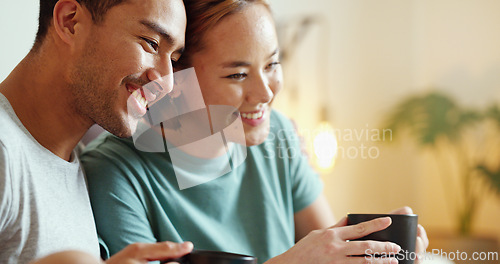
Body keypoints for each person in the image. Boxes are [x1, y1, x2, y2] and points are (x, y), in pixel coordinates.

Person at [81, 0, 429, 263]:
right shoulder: (114, 174)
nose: (265, 93)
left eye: (272, 64)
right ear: (176, 80)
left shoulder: (276, 134)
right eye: (237, 75)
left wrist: (373, 250)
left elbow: (329, 248)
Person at [0, 0, 195, 263]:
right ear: (71, 22)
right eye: (151, 43)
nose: (167, 82)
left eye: (173, 59)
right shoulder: (5, 153)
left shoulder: (78, 164)